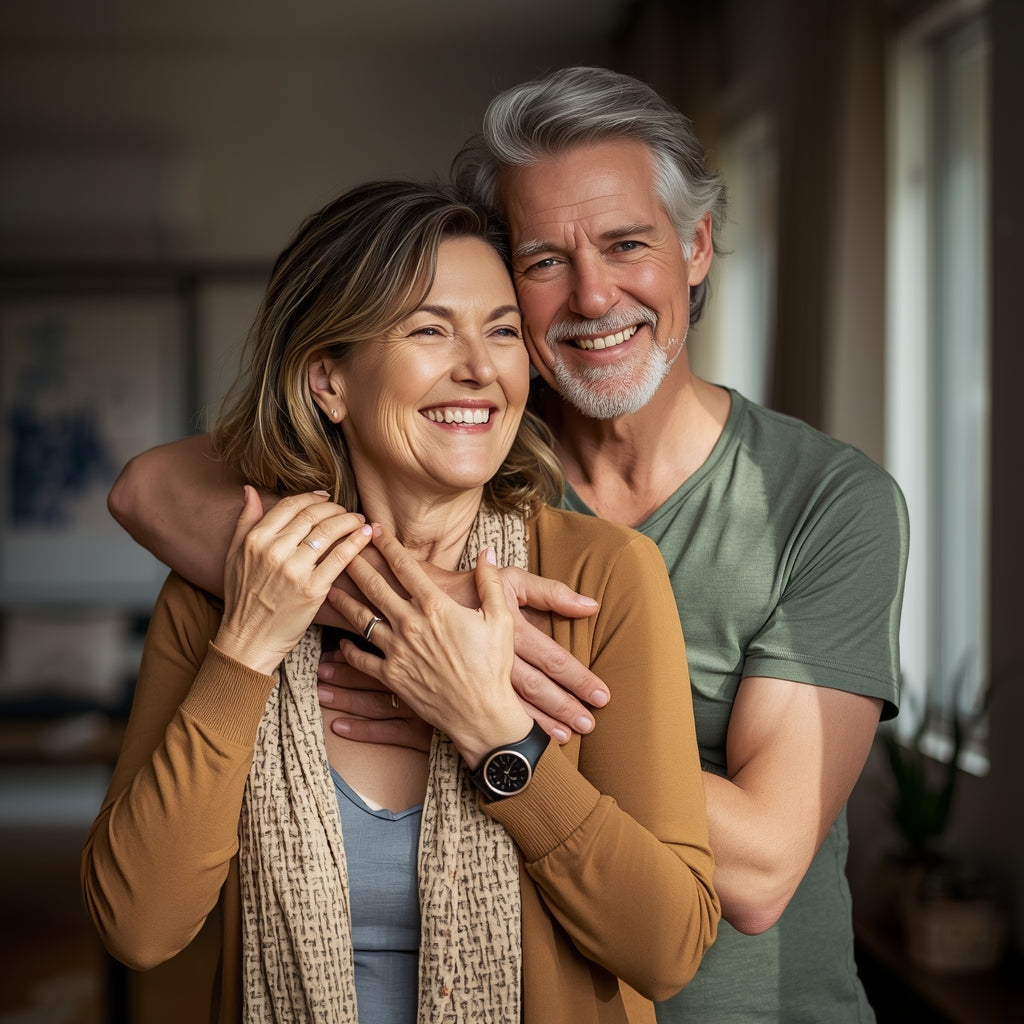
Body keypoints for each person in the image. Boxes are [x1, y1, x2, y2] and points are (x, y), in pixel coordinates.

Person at [104, 68, 910, 1023]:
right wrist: (410, 616)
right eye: (541, 262)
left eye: (626, 244)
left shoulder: (812, 504)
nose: (593, 294)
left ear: (696, 248)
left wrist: (485, 711)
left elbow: (765, 870)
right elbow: (148, 487)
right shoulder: (471, 459)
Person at [81, 180, 719, 1024]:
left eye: (501, 331)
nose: (480, 368)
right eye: (428, 329)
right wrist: (244, 654)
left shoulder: (600, 579)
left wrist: (498, 737)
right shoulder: (230, 587)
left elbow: (667, 947)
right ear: (328, 381)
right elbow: (138, 925)